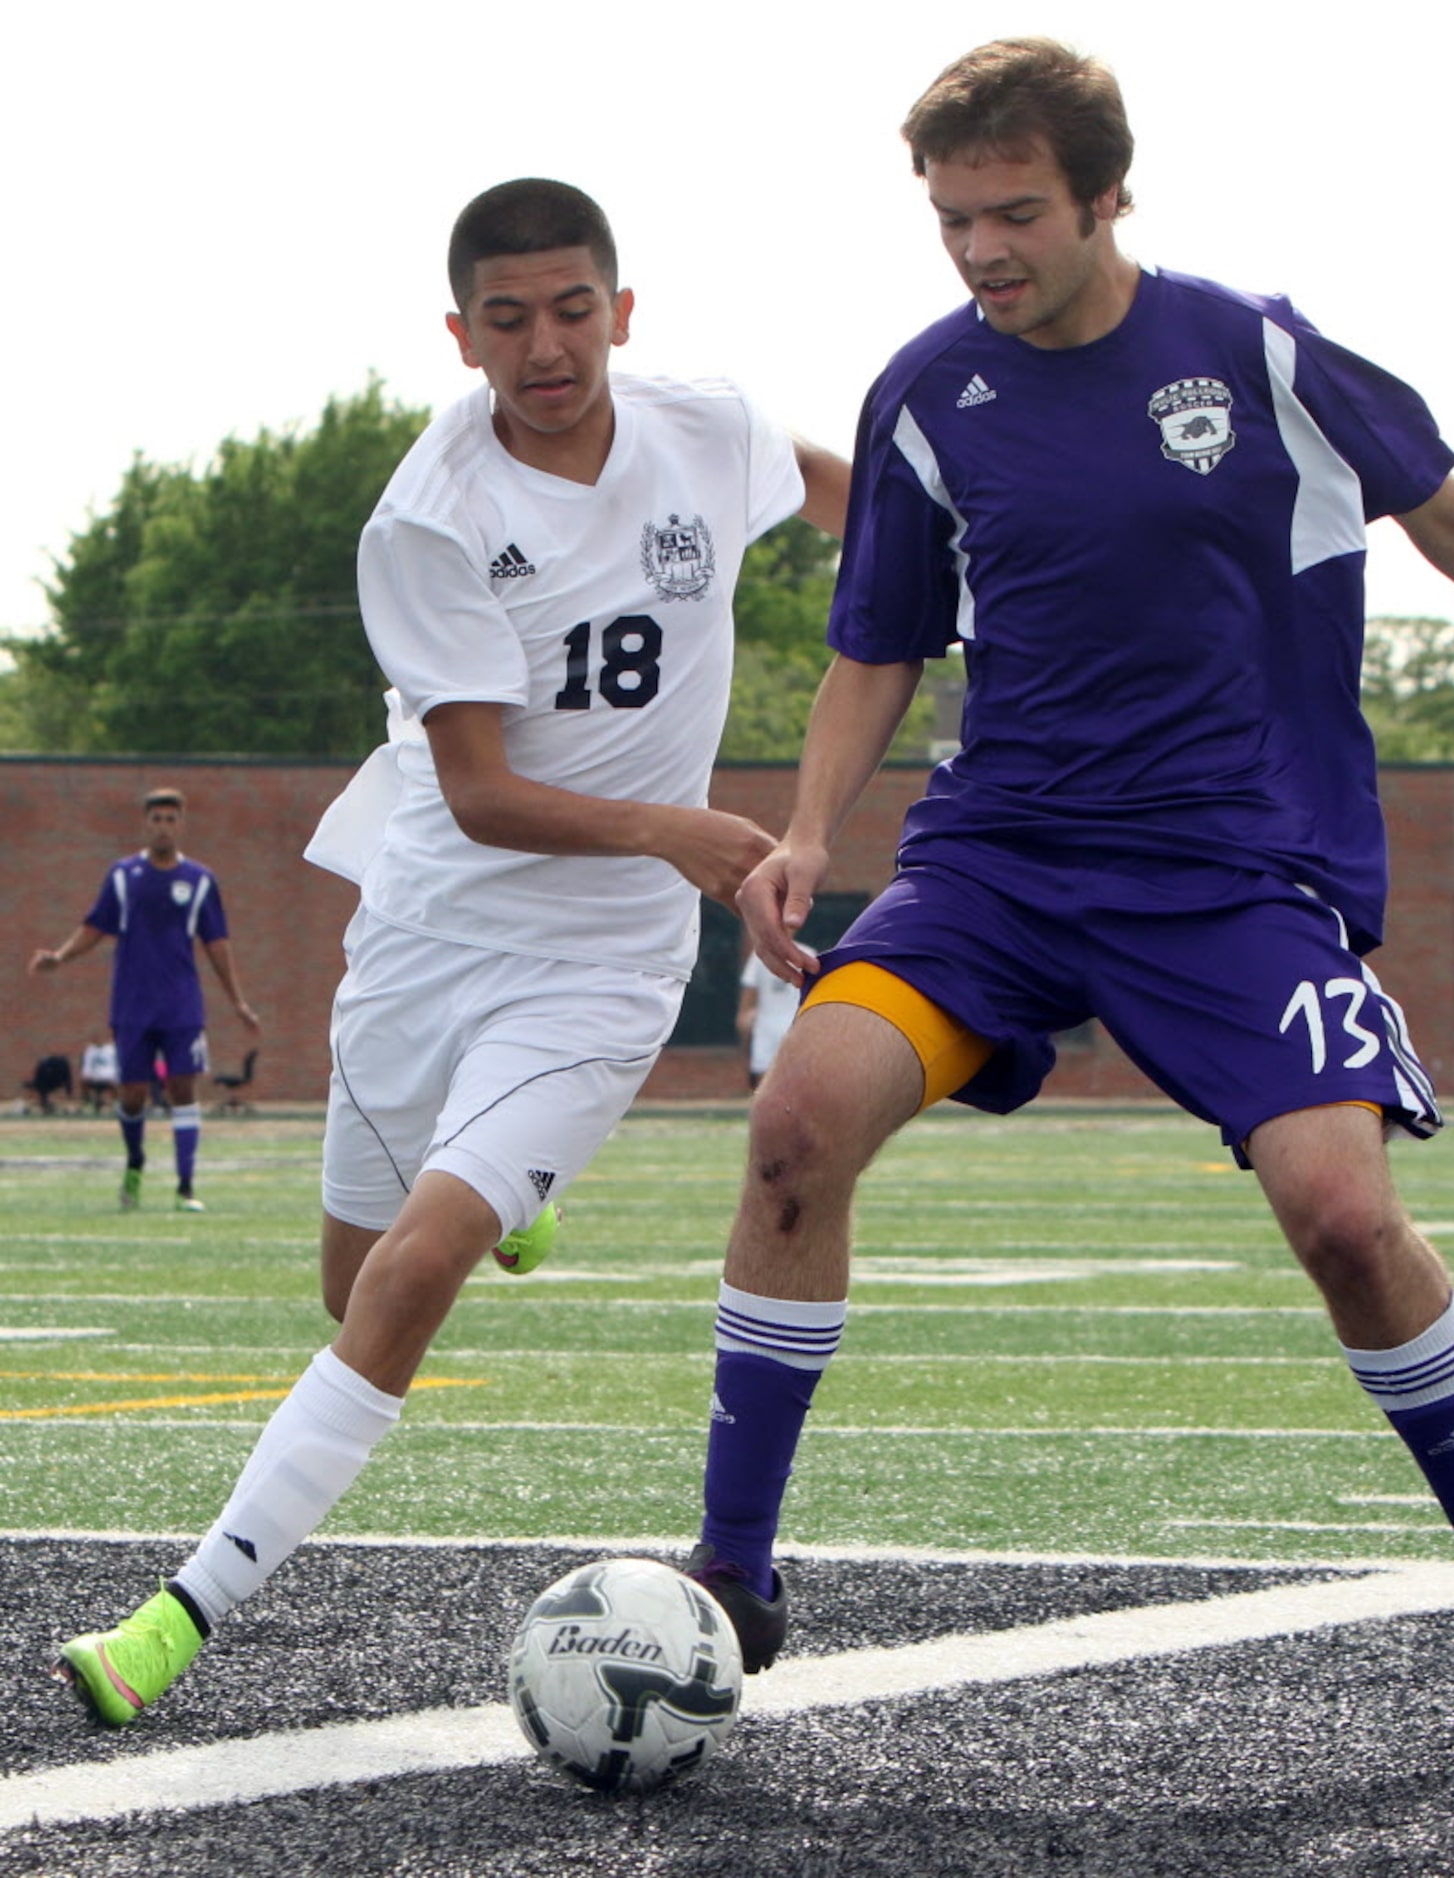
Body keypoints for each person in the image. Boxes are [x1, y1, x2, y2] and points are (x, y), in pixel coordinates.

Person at [681, 39, 1454, 1758]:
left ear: (1107, 197)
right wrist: (802, 823)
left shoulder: (1254, 351)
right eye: (949, 219)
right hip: (995, 863)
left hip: (1233, 871)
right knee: (795, 1122)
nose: (978, 251)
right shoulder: (928, 392)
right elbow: (877, 640)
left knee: (1341, 1219)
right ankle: (728, 1571)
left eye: (1013, 214)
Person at [51, 177, 848, 1729]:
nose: (544, 347)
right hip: (434, 927)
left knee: (414, 1271)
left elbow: (858, 500)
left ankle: (176, 1615)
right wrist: (683, 832)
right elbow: (481, 794)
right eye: (507, 319)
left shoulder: (708, 426)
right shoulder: (429, 515)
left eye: (571, 311)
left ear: (623, 312)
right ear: (460, 334)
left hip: (598, 961)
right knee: (354, 1283)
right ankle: (508, 1196)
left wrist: (984, 581)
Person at [29, 789, 260, 1211]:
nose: (163, 826)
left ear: (181, 825)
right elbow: (95, 926)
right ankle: (135, 1164)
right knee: (132, 1094)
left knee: (182, 1089)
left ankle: (185, 1187)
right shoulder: (122, 876)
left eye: (171, 819)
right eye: (156, 819)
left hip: (181, 1006)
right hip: (131, 1005)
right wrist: (60, 957)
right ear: (145, 823)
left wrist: (238, 1002)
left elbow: (218, 945)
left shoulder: (200, 881)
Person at [736, 949, 799, 1089]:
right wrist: (744, 1016)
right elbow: (749, 991)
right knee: (763, 1078)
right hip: (765, 1027)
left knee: (795, 1077)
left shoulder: (806, 953)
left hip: (795, 1025)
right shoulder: (758, 957)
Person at [78, 1029, 120, 1112]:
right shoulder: (90, 1050)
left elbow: (116, 1065)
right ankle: (88, 1103)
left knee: (115, 1082)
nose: (99, 1040)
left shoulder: (111, 1050)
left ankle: (116, 1103)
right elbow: (87, 1067)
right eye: (96, 1038)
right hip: (94, 1078)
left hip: (108, 1077)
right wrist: (87, 1075)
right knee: (83, 1081)